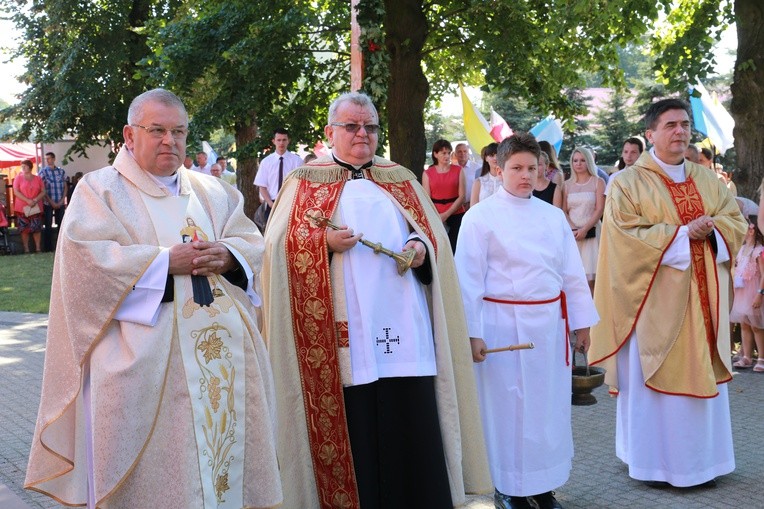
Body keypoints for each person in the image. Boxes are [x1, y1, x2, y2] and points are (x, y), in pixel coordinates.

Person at [25, 89, 282, 509]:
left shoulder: (213, 191)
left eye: (178, 131)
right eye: (157, 130)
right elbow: (86, 265)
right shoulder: (100, 190)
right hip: (142, 366)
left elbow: (251, 243)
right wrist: (164, 262)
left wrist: (229, 255)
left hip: (225, 363)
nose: (170, 141)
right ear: (129, 135)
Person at [261, 91, 491, 509]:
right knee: (357, 426)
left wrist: (420, 248)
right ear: (331, 131)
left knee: (412, 426)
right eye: (351, 126)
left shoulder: (399, 178)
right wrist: (322, 242)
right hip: (340, 338)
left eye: (369, 126)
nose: (362, 134)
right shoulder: (304, 182)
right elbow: (276, 249)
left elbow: (431, 236)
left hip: (407, 329)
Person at [589, 98, 746, 488]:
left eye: (685, 125)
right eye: (671, 125)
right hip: (654, 305)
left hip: (704, 299)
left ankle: (703, 463)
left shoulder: (709, 179)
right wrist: (680, 235)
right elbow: (624, 237)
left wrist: (715, 230)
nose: (680, 132)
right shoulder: (628, 182)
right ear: (650, 134)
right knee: (653, 387)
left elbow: (736, 222)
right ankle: (653, 464)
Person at [455, 132, 598, 509]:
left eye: (532, 168)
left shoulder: (552, 217)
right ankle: (506, 485)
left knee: (546, 407)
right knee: (507, 407)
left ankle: (543, 485)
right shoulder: (479, 217)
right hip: (501, 324)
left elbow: (571, 274)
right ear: (498, 168)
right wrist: (472, 333)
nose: (524, 175)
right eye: (516, 168)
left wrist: (580, 324)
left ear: (543, 171)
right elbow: (467, 281)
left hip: (548, 325)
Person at [561, 147, 605, 293]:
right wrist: (574, 229)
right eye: (575, 160)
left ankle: (594, 312)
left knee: (592, 279)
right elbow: (563, 210)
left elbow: (599, 209)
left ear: (589, 161)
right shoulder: (566, 185)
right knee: (573, 279)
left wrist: (585, 229)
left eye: (582, 160)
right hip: (572, 235)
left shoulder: (598, 182)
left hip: (592, 232)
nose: (578, 164)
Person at [730, 215, 764, 372]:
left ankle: (761, 358)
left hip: (754, 291)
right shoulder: (742, 249)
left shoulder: (759, 251)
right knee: (744, 323)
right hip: (742, 291)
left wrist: (760, 293)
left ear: (750, 231)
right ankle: (747, 356)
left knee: (756, 325)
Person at [252, 127, 303, 227]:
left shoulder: (297, 161)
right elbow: (262, 186)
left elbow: (301, 184)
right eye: (278, 140)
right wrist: (271, 204)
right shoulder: (266, 162)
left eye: (284, 140)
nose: (281, 143)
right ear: (273, 141)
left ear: (288, 141)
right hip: (272, 203)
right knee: (270, 236)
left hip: (291, 203)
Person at [12, 159, 45, 253]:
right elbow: (16, 191)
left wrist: (35, 199)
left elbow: (43, 191)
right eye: (22, 166)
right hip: (22, 207)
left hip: (36, 206)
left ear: (30, 167)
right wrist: (27, 200)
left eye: (24, 166)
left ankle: (38, 248)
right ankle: (26, 249)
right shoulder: (18, 178)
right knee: (24, 229)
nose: (22, 168)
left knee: (37, 228)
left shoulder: (38, 178)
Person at [38, 151, 68, 252]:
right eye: (46, 159)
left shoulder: (61, 171)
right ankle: (48, 248)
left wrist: (62, 200)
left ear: (54, 159)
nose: (47, 161)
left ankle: (62, 247)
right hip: (48, 202)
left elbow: (65, 186)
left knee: (61, 225)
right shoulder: (43, 172)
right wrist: (51, 202)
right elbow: (42, 189)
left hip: (60, 201)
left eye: (49, 158)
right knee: (48, 225)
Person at [454, 142, 482, 208]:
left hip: (474, 205)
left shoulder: (478, 168)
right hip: (457, 206)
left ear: (468, 153)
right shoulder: (452, 169)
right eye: (459, 152)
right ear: (455, 154)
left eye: (465, 151)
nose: (462, 154)